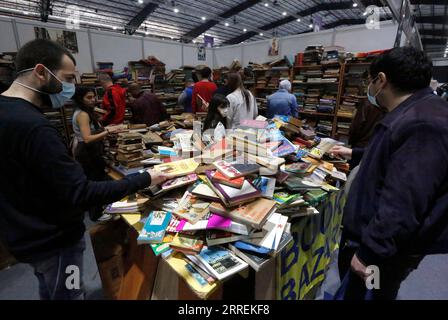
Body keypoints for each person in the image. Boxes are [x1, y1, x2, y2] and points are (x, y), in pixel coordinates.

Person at [0, 39, 170, 300]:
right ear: (41, 71)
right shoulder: (35, 128)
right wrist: (145, 177)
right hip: (54, 242)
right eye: (67, 78)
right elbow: (81, 192)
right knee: (70, 294)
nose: (70, 86)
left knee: (51, 291)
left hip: (23, 234)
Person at [331, 47, 448, 300]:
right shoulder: (416, 112)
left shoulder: (421, 124)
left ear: (381, 80)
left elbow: (404, 202)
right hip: (379, 245)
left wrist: (369, 254)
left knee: (367, 296)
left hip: (379, 254)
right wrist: (355, 154)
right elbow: (395, 162)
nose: (370, 88)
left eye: (370, 80)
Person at [72, 86, 120, 222]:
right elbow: (87, 138)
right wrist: (108, 132)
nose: (93, 100)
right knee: (94, 182)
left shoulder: (85, 111)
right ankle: (96, 214)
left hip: (89, 151)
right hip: (87, 152)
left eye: (94, 97)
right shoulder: (83, 114)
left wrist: (105, 129)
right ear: (80, 99)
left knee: (95, 179)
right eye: (89, 97)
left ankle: (97, 209)